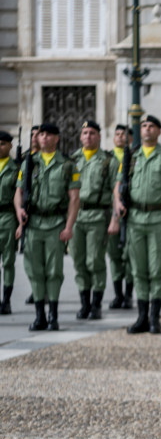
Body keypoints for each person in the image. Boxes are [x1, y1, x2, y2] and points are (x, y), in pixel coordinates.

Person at [109, 115, 161, 334]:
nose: (147, 129)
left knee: (156, 269)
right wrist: (118, 202)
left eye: (151, 126)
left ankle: (154, 318)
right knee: (138, 270)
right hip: (134, 220)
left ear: (159, 131)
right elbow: (117, 186)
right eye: (144, 126)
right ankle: (141, 316)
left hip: (158, 218)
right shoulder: (130, 156)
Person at [14, 123, 80, 331]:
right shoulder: (29, 163)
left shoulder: (68, 165)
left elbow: (74, 198)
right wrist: (19, 212)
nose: (44, 138)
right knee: (34, 271)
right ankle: (39, 316)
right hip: (32, 224)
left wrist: (69, 227)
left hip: (55, 224)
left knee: (54, 271)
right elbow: (19, 192)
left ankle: (53, 316)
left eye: (49, 134)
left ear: (57, 138)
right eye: (41, 134)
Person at [69, 121, 115, 321]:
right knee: (79, 261)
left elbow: (116, 192)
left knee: (94, 260)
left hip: (97, 215)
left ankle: (96, 305)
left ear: (99, 136)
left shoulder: (108, 161)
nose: (88, 136)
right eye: (85, 133)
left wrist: (115, 219)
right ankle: (84, 304)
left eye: (93, 133)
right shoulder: (72, 160)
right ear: (80, 137)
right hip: (76, 217)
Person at [107, 125, 134, 310]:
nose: (120, 137)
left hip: (131, 213)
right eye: (117, 134)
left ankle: (129, 294)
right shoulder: (107, 159)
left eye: (124, 134)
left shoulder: (134, 157)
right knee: (114, 255)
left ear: (130, 138)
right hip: (110, 212)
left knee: (130, 256)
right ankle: (118, 294)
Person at [0, 130, 18, 314]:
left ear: (10, 146)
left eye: (2, 144)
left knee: (8, 262)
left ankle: (6, 300)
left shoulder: (16, 168)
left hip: (7, 218)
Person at [23, 125, 40, 306]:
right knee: (29, 257)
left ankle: (39, 292)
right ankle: (34, 288)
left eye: (38, 134)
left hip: (42, 215)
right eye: (33, 134)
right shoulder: (24, 159)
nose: (35, 138)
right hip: (25, 214)